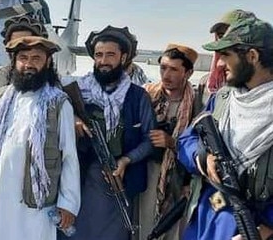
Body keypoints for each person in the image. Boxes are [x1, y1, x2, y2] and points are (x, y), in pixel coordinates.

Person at [0, 36, 80, 240]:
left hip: (35, 202)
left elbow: (69, 156)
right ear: (15, 62)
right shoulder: (3, 97)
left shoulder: (59, 103)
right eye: (23, 58)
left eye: (36, 58)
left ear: (47, 63)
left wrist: (68, 202)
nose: (28, 64)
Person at [178, 16, 273, 239]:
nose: (219, 63)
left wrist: (266, 229)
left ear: (252, 56)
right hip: (207, 216)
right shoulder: (223, 99)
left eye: (226, 55)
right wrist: (202, 159)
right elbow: (186, 140)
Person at [70, 25, 156, 240]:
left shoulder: (138, 96)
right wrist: (73, 119)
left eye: (110, 55)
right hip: (80, 178)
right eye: (99, 55)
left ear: (123, 57)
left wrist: (126, 160)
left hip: (119, 181)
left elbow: (150, 139)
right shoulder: (77, 92)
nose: (104, 61)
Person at [139, 44, 202, 240]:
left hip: (178, 179)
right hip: (146, 175)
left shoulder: (197, 104)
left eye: (173, 69)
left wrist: (172, 143)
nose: (166, 75)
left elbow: (201, 145)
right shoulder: (145, 95)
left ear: (188, 72)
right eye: (163, 68)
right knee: (142, 227)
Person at [195, 9, 255, 110]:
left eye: (233, 34)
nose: (225, 41)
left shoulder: (262, 87)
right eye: (221, 35)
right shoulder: (205, 83)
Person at [0, 15, 49, 107]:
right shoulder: (5, 74)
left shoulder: (48, 76)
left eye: (25, 43)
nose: (19, 48)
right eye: (14, 43)